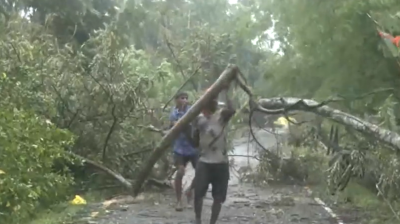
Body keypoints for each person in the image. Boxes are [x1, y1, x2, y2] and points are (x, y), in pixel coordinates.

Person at [192, 84, 236, 224]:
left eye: (215, 100)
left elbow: (232, 110)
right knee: (198, 194)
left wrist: (226, 91)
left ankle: (212, 222)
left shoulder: (221, 116)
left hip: (221, 163)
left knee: (218, 197)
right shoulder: (198, 119)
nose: (214, 102)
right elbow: (194, 141)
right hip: (204, 161)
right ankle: (198, 220)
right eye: (211, 100)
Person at [169, 91, 198, 211]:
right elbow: (175, 125)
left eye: (186, 98)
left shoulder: (192, 110)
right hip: (179, 147)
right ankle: (178, 200)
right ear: (176, 99)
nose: (185, 100)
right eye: (182, 98)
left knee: (201, 172)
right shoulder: (173, 113)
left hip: (193, 147)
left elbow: (194, 123)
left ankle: (190, 191)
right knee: (180, 172)